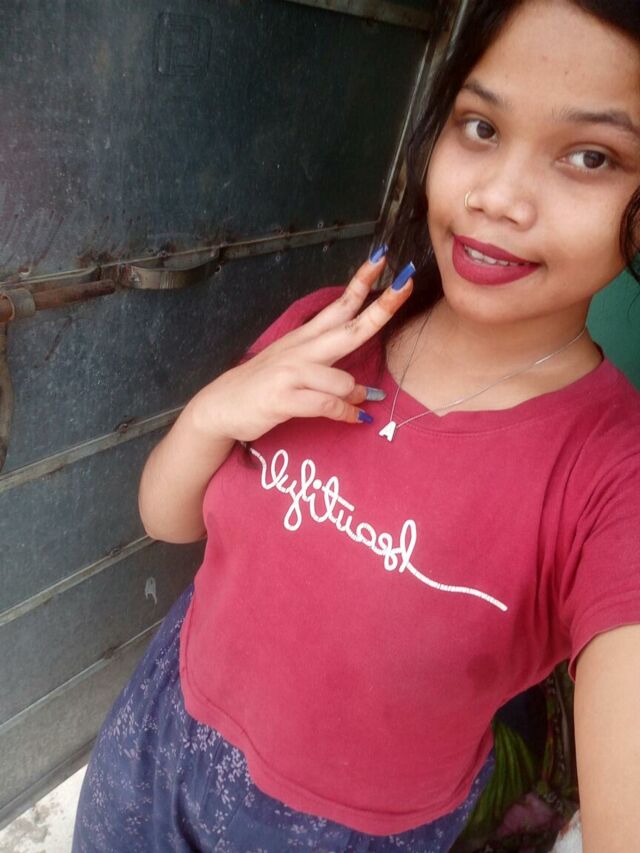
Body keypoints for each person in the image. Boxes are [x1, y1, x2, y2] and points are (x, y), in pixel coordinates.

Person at [72, 1, 640, 850]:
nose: (497, 197)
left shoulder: (611, 475)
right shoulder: (328, 332)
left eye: (590, 156)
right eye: (481, 127)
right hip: (160, 733)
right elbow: (166, 518)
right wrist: (216, 408)